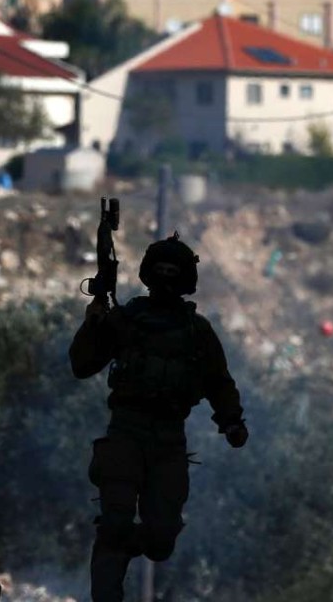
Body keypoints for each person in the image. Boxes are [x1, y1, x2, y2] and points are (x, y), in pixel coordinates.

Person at [69, 233, 249, 602]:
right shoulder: (126, 320)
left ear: (185, 281)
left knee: (161, 539)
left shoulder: (197, 332)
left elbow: (219, 381)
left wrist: (231, 420)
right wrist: (93, 321)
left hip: (168, 440)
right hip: (126, 433)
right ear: (149, 275)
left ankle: (119, 546)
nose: (167, 281)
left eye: (174, 274)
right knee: (115, 524)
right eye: (161, 272)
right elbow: (82, 364)